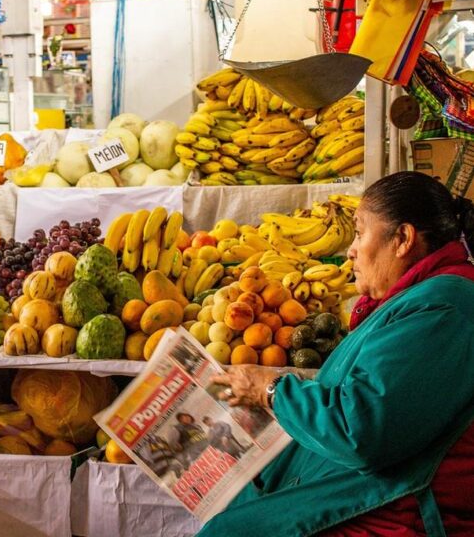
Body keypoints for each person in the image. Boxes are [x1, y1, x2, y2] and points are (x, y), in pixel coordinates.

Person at [202, 172, 474, 536]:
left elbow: (361, 428)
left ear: (403, 239)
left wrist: (272, 390)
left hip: (394, 509)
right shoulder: (421, 299)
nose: (350, 249)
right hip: (363, 491)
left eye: (360, 233)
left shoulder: (443, 310)